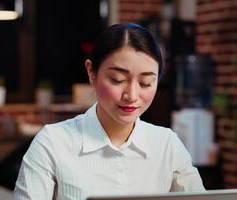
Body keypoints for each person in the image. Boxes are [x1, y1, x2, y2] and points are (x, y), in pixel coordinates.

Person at [13, 23, 205, 200]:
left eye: (146, 83)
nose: (131, 95)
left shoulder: (167, 145)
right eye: (117, 79)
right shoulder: (52, 143)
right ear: (92, 73)